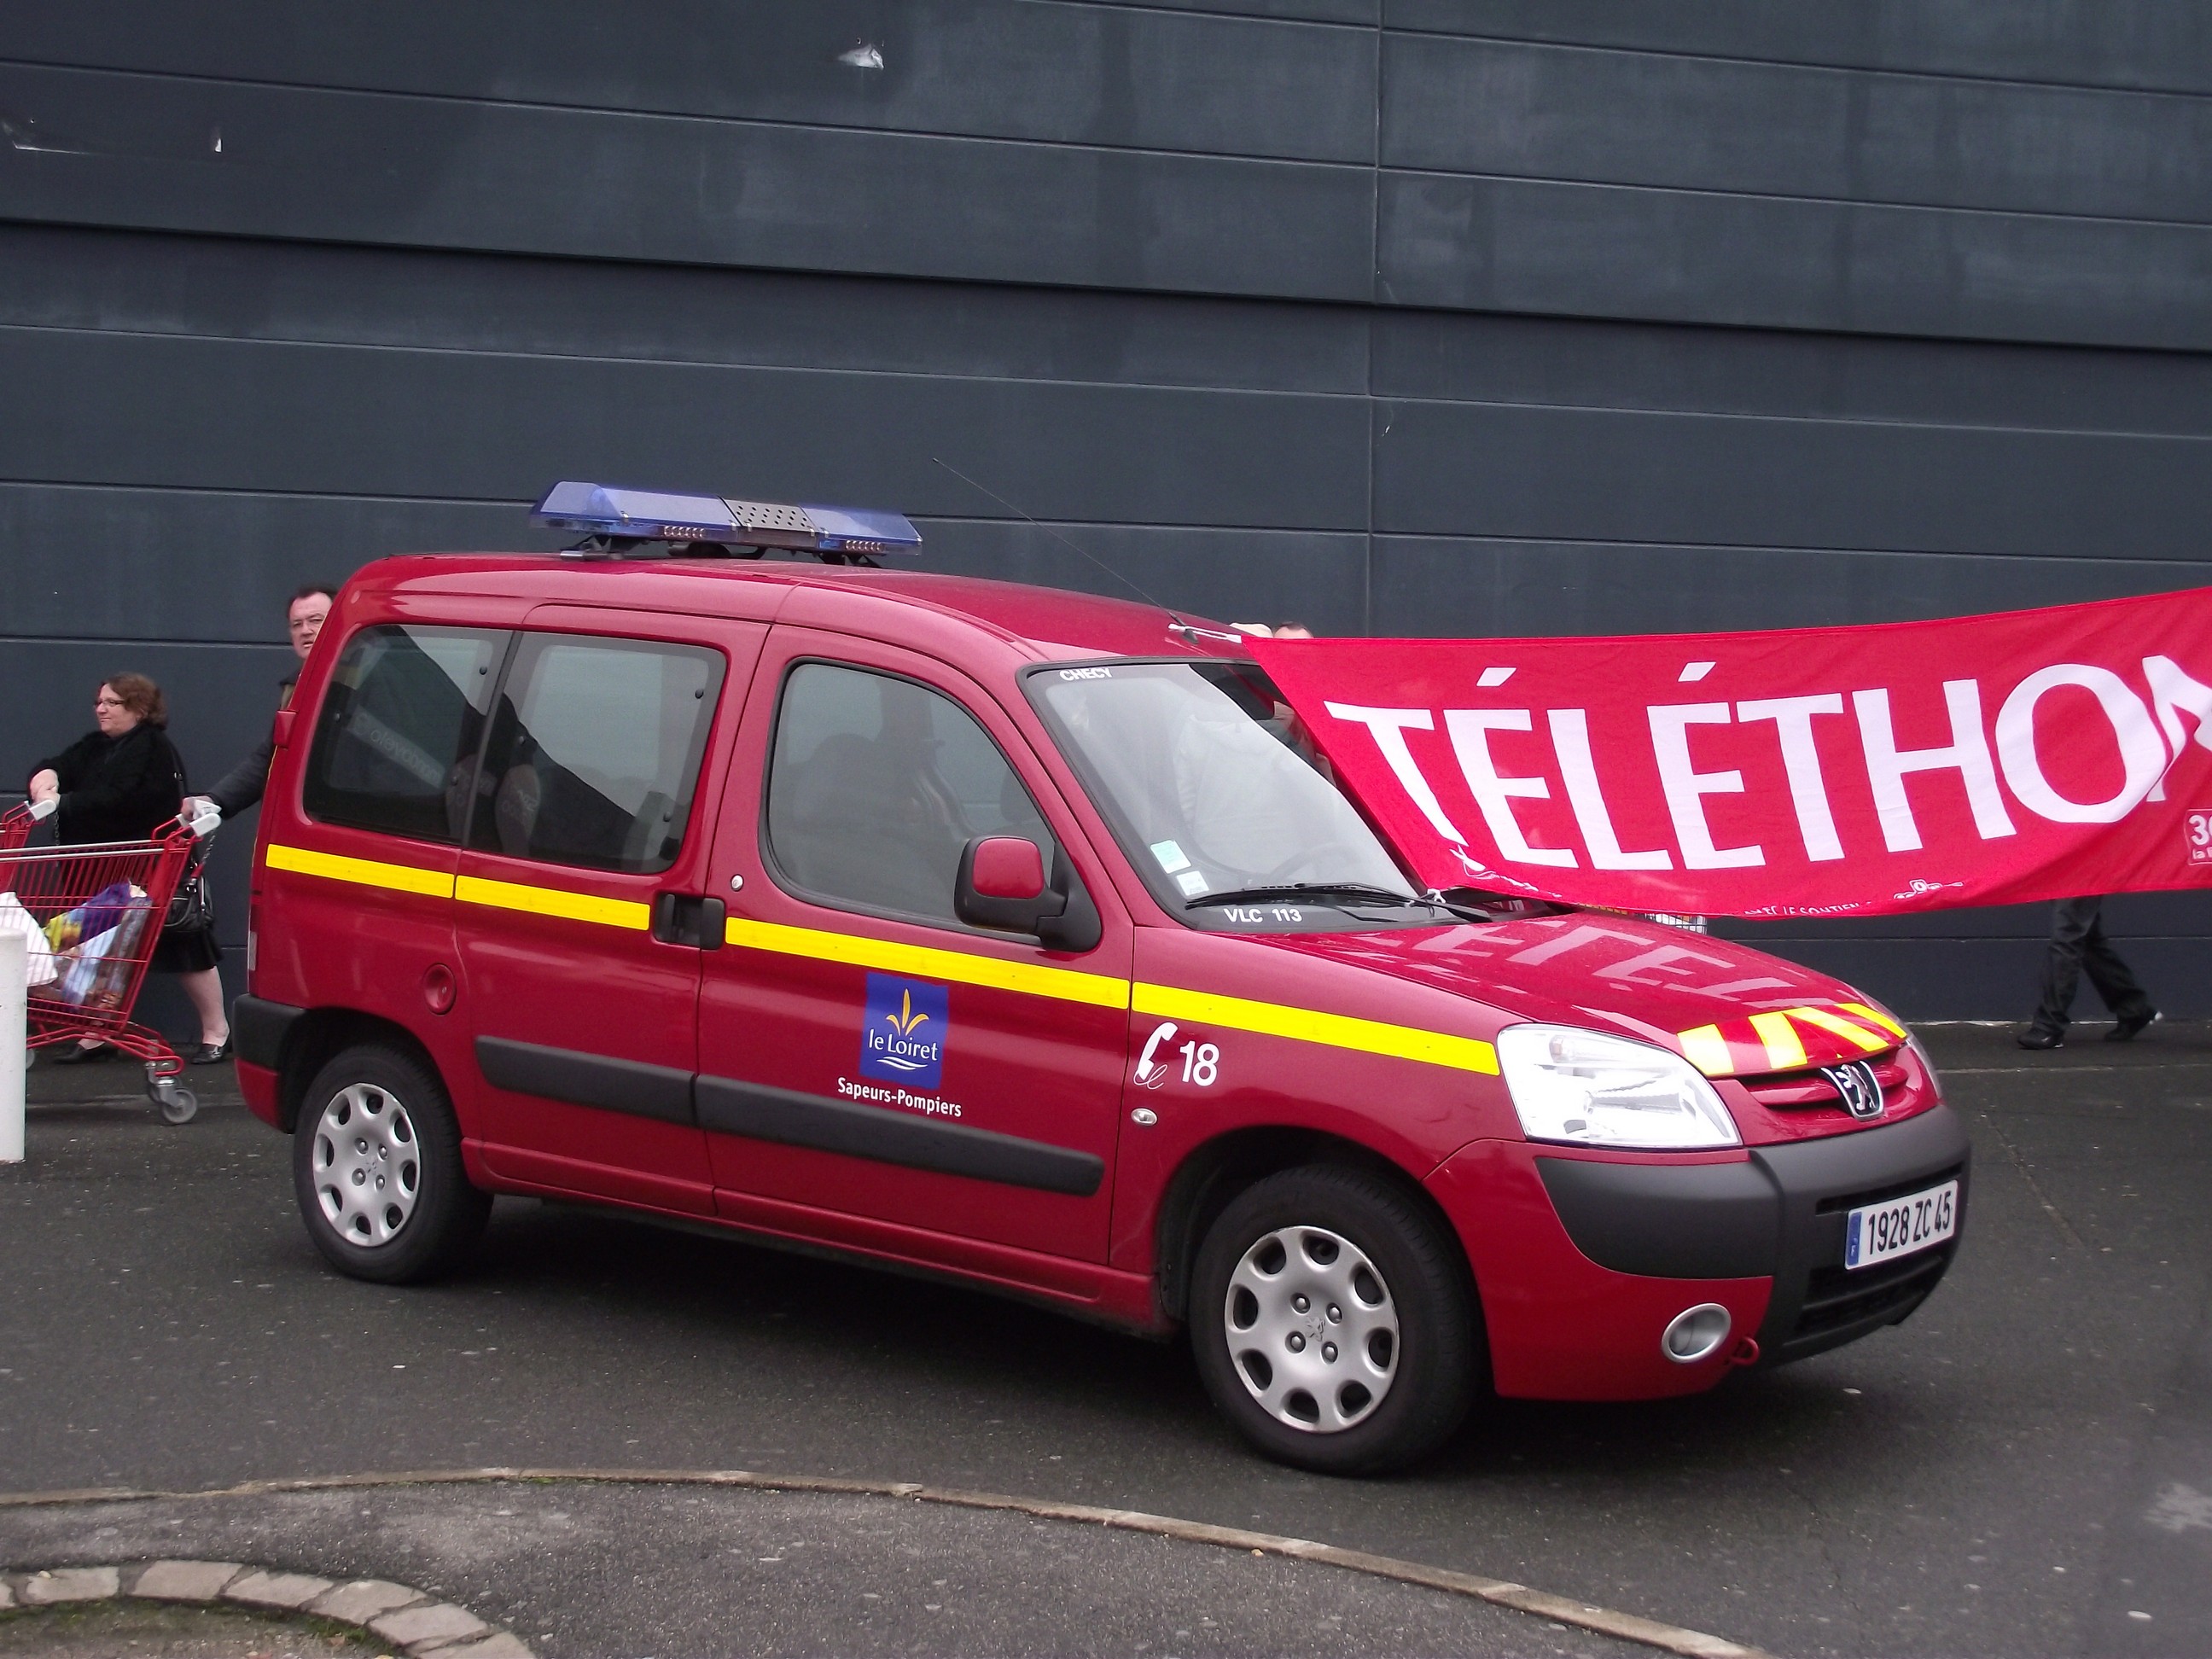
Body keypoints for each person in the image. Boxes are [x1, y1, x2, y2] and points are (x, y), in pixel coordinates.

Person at [25, 674, 231, 1062]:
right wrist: (47, 778)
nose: (100, 709)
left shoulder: (152, 749)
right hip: (105, 867)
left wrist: (65, 804)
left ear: (139, 708)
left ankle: (216, 1029)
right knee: (100, 948)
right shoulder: (97, 746)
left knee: (182, 944)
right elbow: (58, 765)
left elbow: (123, 802)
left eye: (111, 703)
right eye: (99, 702)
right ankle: (97, 1029)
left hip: (149, 866)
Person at [189, 583, 335, 820]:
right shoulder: (297, 687)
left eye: (316, 620)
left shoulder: (367, 682)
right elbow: (270, 756)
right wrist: (215, 800)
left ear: (337, 622)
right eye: (297, 624)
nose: (305, 630)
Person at [2017, 896, 2159, 1050]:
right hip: (2067, 872)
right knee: (2084, 935)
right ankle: (2133, 1008)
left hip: (2080, 873)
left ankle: (2049, 1025)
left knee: (2068, 932)